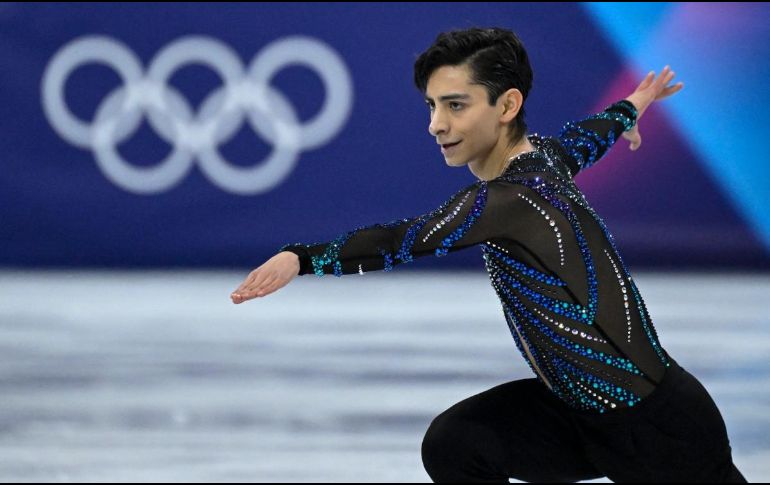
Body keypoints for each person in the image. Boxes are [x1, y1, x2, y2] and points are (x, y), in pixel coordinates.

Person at [230, 27, 746, 483]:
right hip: (574, 419)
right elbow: (588, 138)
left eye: (455, 105)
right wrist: (633, 106)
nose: (436, 124)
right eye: (432, 106)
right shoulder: (545, 158)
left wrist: (301, 257)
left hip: (658, 430)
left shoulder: (508, 200)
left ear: (506, 106)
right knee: (458, 444)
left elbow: (402, 239)